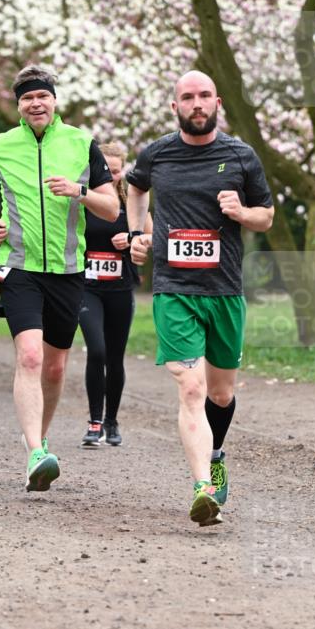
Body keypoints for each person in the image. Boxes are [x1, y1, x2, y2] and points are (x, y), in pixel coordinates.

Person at [127, 70, 274, 526]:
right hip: (174, 288)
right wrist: (136, 233)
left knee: (222, 394)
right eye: (187, 97)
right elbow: (134, 187)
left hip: (225, 289)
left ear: (218, 102)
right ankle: (202, 489)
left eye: (204, 96)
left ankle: (215, 454)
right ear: (175, 107)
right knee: (191, 387)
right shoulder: (157, 154)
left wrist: (240, 212)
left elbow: (266, 216)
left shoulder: (241, 155)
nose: (197, 103)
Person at [0, 64, 118, 491]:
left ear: (54, 100)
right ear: (18, 104)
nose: (36, 103)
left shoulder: (81, 144)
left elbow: (111, 208)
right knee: (30, 356)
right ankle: (36, 451)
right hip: (18, 266)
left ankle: (41, 437)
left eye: (43, 96)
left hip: (69, 270)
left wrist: (79, 192)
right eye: (27, 98)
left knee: (54, 368)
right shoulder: (0, 146)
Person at [79, 142, 152, 448]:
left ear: (124, 171)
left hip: (120, 287)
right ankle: (95, 422)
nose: (110, 175)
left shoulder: (132, 204)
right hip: (87, 287)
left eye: (116, 170)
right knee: (96, 351)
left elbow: (151, 237)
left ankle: (112, 420)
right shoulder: (87, 198)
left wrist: (135, 238)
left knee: (115, 356)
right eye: (105, 169)